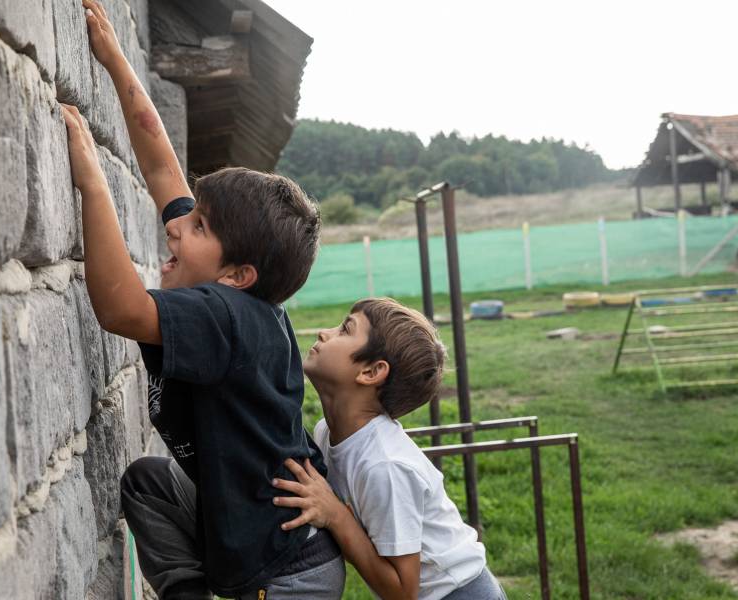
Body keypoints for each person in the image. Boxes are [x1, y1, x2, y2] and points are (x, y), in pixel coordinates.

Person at [61, 2, 344, 598]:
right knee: (149, 484)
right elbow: (164, 169)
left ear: (237, 275)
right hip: (251, 538)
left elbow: (120, 309)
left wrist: (92, 182)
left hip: (287, 576)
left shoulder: (227, 315)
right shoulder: (232, 290)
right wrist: (114, 57)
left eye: (199, 228)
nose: (176, 227)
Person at [272, 298, 507, 600]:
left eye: (345, 329)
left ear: (371, 372)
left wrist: (336, 516)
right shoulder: (327, 431)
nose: (323, 333)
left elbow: (402, 592)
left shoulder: (384, 465)